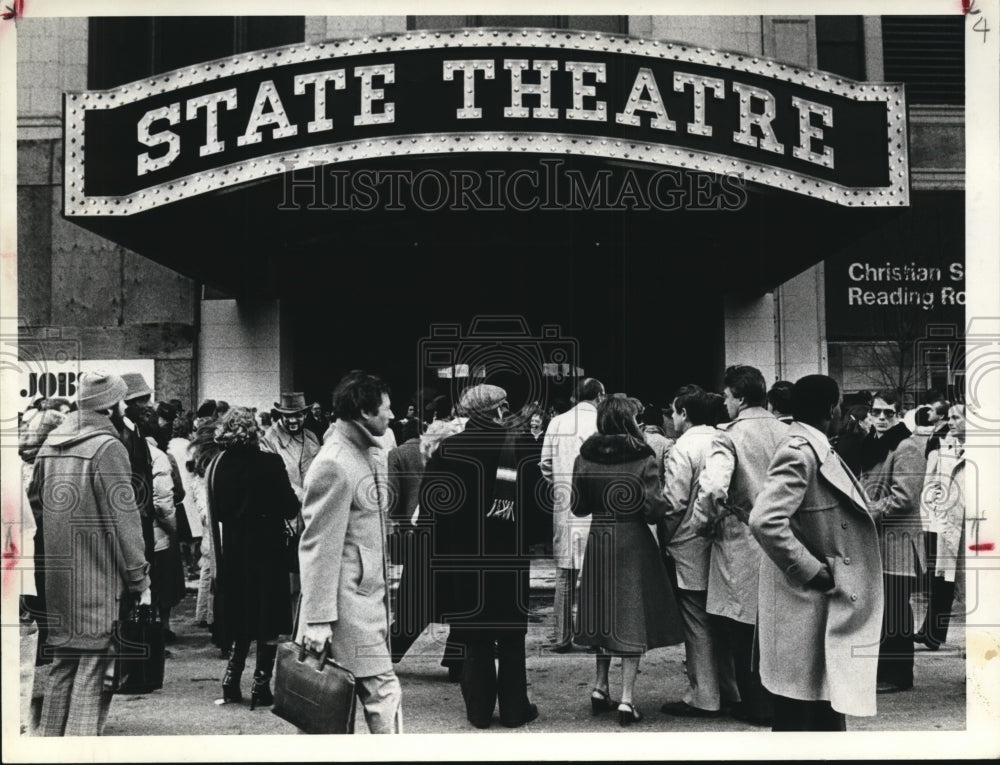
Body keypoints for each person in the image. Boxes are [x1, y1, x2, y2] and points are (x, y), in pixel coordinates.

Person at [749, 374, 883, 731]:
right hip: (805, 600)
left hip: (816, 603)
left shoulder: (816, 448)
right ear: (831, 408)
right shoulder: (799, 452)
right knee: (801, 713)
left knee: (819, 705)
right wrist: (812, 570)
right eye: (840, 405)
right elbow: (765, 521)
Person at [27, 372, 151, 736]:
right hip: (98, 580)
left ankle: (50, 749)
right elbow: (124, 522)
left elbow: (34, 507)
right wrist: (140, 579)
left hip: (60, 580)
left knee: (63, 667)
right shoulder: (108, 447)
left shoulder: (50, 443)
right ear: (111, 406)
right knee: (92, 672)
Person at [423, 384, 537, 729]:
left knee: (475, 635)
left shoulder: (449, 450)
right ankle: (516, 709)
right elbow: (538, 506)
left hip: (465, 557)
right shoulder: (521, 447)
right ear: (499, 411)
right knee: (512, 635)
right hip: (509, 556)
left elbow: (433, 506)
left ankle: (479, 711)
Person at [298, 371, 403, 734]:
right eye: (386, 409)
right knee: (382, 693)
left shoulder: (359, 452)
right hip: (347, 609)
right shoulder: (336, 463)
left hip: (356, 602)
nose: (392, 416)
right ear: (363, 412)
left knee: (332, 713)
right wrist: (317, 620)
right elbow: (317, 546)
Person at [572, 396, 684, 726]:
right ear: (629, 421)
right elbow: (653, 508)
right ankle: (626, 699)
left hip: (599, 537)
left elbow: (577, 507)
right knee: (631, 615)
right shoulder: (643, 457)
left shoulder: (585, 455)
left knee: (603, 611)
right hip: (632, 538)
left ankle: (599, 686)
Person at [691, 365, 788, 726]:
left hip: (741, 540)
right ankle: (781, 701)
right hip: (783, 540)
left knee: (742, 629)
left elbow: (714, 487)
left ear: (740, 397)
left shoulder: (727, 437)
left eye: (729, 396)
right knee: (778, 625)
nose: (726, 403)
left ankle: (756, 705)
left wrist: (704, 523)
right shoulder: (786, 431)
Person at [206, 407, 299, 708]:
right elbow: (288, 507)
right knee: (268, 619)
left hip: (234, 547)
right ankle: (261, 684)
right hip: (268, 548)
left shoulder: (217, 465)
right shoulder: (270, 463)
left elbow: (216, 512)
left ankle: (230, 680)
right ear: (255, 431)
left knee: (241, 614)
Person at [659, 386, 736, 718]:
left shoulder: (682, 448)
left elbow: (674, 503)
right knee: (723, 621)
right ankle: (731, 688)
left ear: (685, 414)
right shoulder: (724, 439)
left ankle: (704, 694)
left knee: (697, 622)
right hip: (724, 543)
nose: (673, 419)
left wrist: (664, 539)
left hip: (689, 544)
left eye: (675, 413)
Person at [857, 390, 927, 694]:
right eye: (877, 412)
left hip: (897, 543)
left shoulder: (906, 446)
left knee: (896, 609)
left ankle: (898, 675)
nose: (882, 418)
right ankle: (886, 671)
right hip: (881, 542)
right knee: (884, 609)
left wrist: (866, 511)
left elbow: (904, 498)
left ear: (900, 414)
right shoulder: (878, 445)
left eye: (889, 413)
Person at [389, 419, 465, 678]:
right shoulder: (450, 467)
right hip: (445, 546)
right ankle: (457, 662)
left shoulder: (437, 464)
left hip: (426, 545)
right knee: (458, 608)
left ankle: (388, 653)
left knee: (415, 611)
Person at [540, 377, 605, 652]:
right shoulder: (602, 423)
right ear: (600, 395)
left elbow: (544, 464)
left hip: (565, 506)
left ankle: (562, 637)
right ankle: (593, 636)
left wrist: (559, 485)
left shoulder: (557, 422)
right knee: (595, 573)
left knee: (565, 574)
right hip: (597, 507)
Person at [916, 404, 969, 650]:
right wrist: (934, 503)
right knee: (943, 579)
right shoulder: (947, 446)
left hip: (973, 530)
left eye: (956, 418)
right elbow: (934, 481)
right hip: (947, 525)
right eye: (949, 418)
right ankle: (933, 633)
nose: (950, 422)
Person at [261, 392, 321, 599]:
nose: (293, 420)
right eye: (288, 416)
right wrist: (301, 495)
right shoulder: (269, 440)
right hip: (285, 514)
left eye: (298, 415)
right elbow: (273, 477)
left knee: (309, 572)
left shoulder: (312, 437)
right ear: (280, 416)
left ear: (305, 414)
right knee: (284, 578)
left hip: (311, 513)